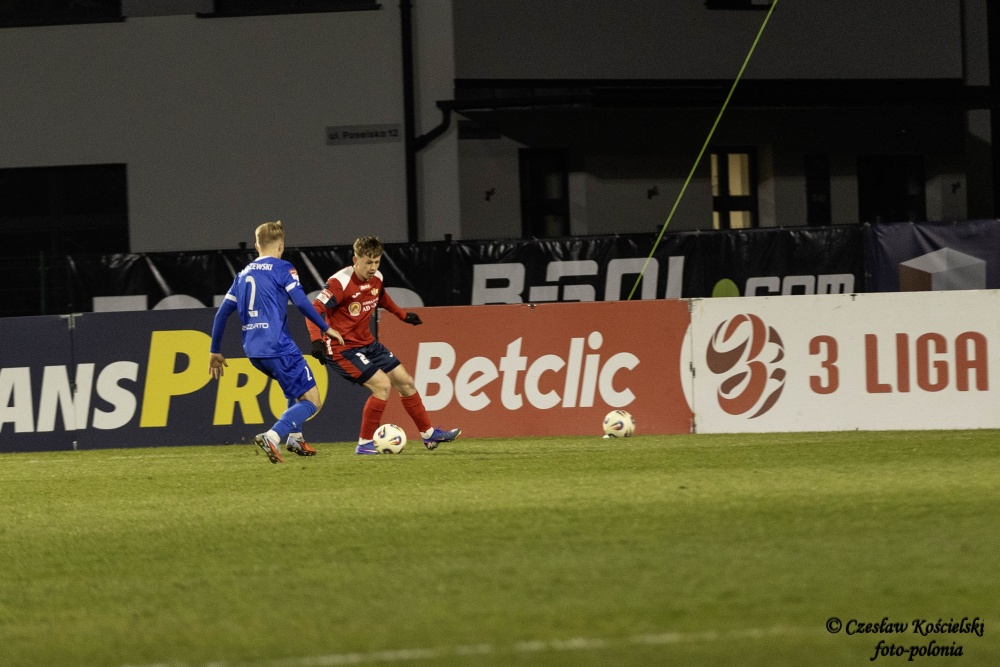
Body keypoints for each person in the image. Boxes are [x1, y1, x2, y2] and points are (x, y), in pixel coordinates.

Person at [306, 235, 461, 455]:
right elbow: (313, 309)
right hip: (342, 348)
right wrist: (316, 340)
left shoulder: (376, 277)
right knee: (382, 386)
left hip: (368, 343)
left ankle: (428, 434)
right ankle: (364, 444)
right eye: (368, 262)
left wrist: (402, 315)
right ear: (355, 259)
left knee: (406, 383)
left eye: (377, 262)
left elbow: (382, 297)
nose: (373, 267)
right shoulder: (339, 283)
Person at [209, 220, 344, 464]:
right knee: (312, 401)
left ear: (256, 246)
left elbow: (221, 314)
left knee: (295, 388)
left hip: (253, 351)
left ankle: (295, 438)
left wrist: (215, 350)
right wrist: (326, 327)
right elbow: (301, 302)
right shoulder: (283, 268)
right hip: (277, 346)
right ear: (281, 246)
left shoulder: (242, 275)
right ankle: (272, 436)